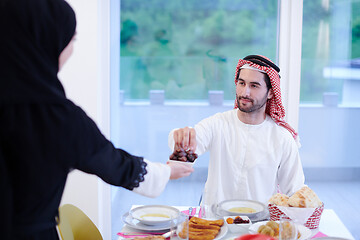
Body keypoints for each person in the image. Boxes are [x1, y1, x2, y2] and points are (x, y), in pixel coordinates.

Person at [0, 0, 193, 239]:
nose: (70, 49)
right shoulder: (56, 118)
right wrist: (166, 172)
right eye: (71, 39)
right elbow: (115, 165)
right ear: (45, 42)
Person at [168, 55, 305, 207]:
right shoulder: (217, 124)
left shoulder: (282, 138)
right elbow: (189, 144)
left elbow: (294, 192)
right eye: (241, 83)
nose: (245, 92)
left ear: (271, 93)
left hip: (259, 225)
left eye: (254, 86)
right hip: (215, 223)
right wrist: (180, 136)